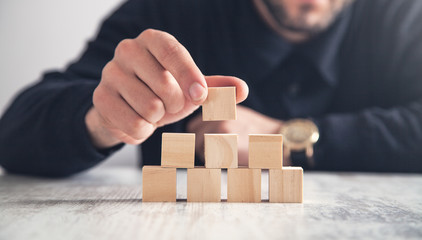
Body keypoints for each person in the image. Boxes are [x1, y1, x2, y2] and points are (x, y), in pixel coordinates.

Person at [1, 0, 422, 177]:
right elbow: (14, 133)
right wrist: (103, 119)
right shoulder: (168, 11)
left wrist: (283, 140)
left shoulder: (402, 16)